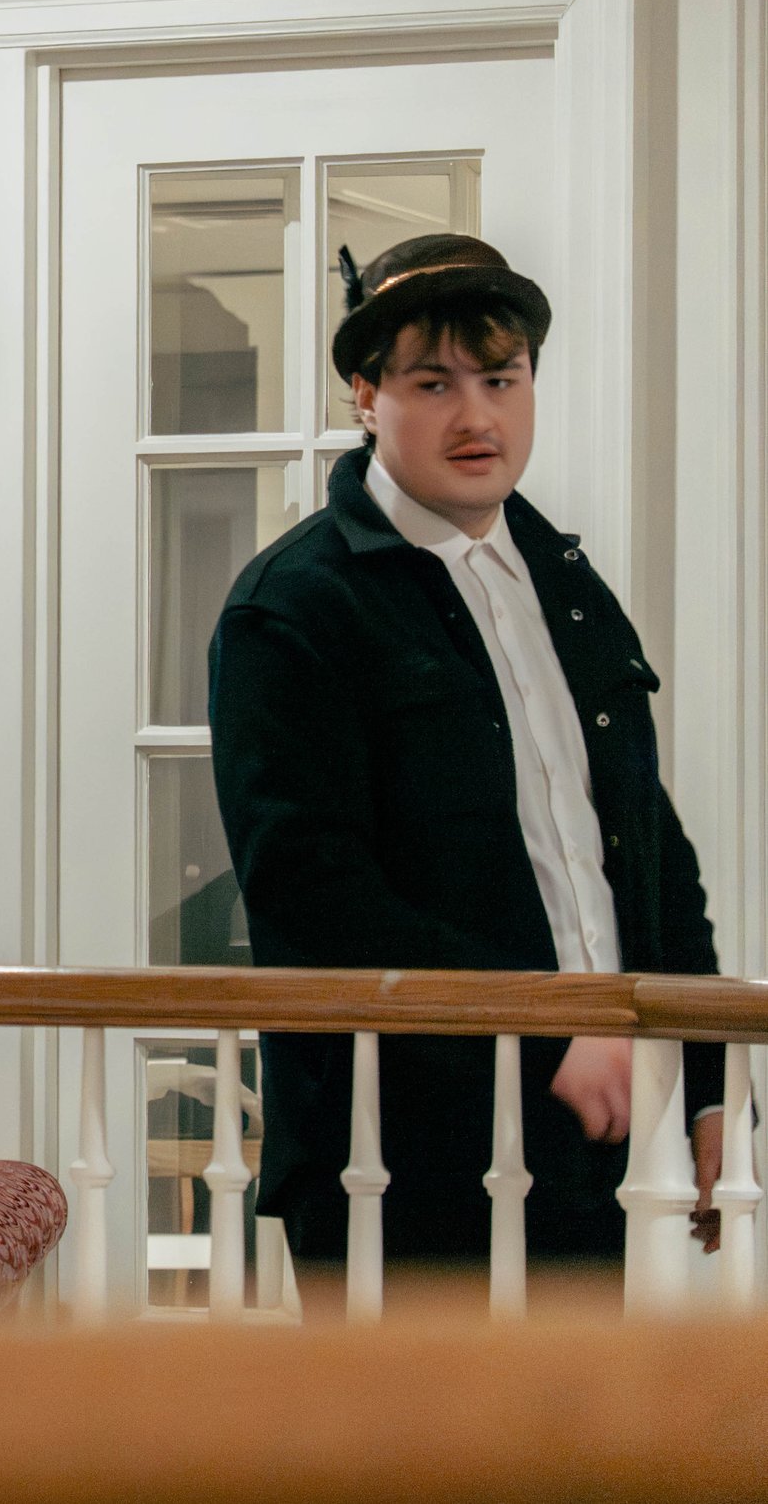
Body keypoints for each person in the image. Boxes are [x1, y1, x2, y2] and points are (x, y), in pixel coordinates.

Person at [208, 233, 722, 1276]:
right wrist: (541, 1025)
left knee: (580, 1446)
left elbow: (648, 850)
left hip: (587, 1141)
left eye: (500, 377)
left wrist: (715, 1085)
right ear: (365, 393)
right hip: (392, 1157)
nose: (476, 415)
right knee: (400, 1448)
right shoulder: (293, 607)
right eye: (432, 381)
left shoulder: (566, 581)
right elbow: (310, 896)